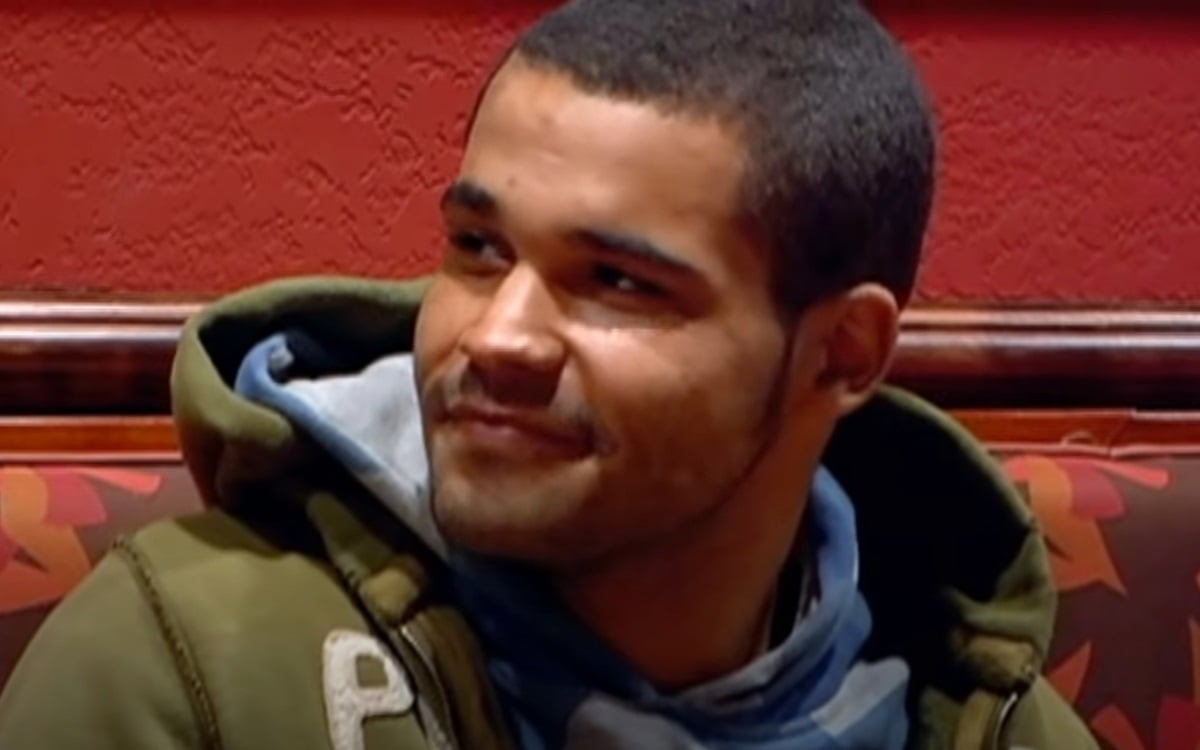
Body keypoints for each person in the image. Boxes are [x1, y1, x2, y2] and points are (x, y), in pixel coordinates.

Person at [0, 1, 1096, 748]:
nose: (497, 337)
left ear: (841, 353)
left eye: (617, 282)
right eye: (479, 250)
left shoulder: (984, 714)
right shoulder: (191, 666)